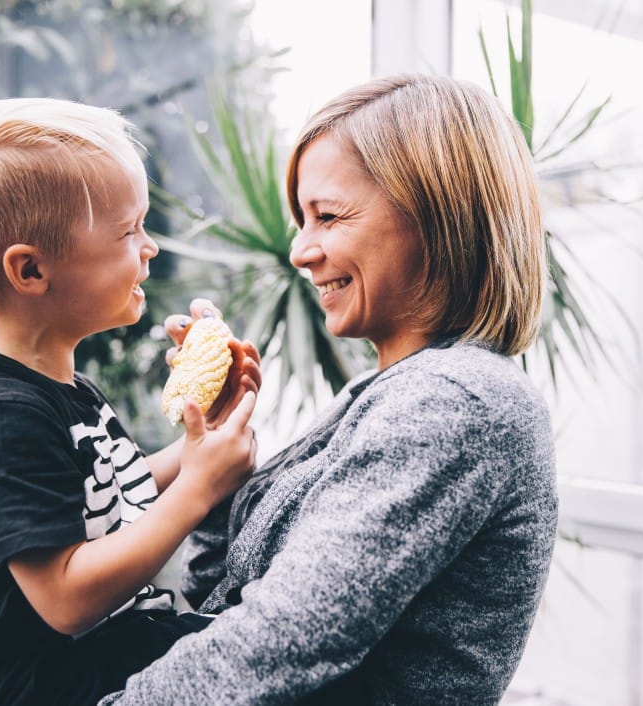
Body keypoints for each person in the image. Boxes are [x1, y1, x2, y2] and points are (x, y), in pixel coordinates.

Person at [102, 73, 558, 706]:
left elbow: (286, 640)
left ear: (435, 213)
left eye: (328, 217)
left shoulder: (457, 401)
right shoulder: (388, 392)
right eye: (301, 220)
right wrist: (217, 434)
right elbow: (224, 595)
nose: (300, 250)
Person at [0, 97, 262, 706]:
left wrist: (199, 441)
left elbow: (105, 495)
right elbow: (66, 598)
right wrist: (196, 489)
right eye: (128, 231)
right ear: (31, 271)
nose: (149, 248)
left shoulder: (63, 392)